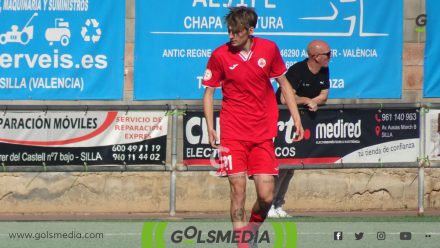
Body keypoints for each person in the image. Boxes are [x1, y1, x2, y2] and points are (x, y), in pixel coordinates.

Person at [202, 6, 304, 247]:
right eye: (229, 31)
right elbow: (208, 93)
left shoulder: (269, 49)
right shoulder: (220, 55)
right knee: (237, 189)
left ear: (250, 30)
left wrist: (296, 118)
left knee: (266, 196)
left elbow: (284, 84)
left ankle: (252, 228)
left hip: (262, 134)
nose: (231, 36)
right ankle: (242, 243)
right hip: (233, 133)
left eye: (236, 32)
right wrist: (210, 126)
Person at [268, 40, 331, 218]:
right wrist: (305, 100)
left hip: (302, 122)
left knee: (291, 168)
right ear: (316, 56)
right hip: (282, 121)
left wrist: (314, 101)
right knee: (281, 165)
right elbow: (283, 99)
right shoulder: (297, 70)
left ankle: (279, 204)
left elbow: (323, 96)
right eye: (328, 54)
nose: (330, 57)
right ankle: (269, 205)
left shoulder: (324, 70)